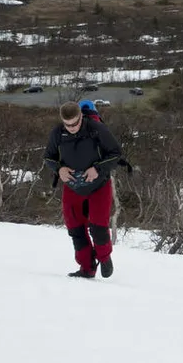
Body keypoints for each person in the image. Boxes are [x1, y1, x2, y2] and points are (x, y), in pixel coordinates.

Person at [44, 100, 123, 279]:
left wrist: (97, 169)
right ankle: (86, 268)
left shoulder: (96, 128)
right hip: (72, 186)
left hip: (99, 185)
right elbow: (49, 156)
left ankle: (104, 257)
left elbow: (116, 153)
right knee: (76, 229)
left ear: (81, 117)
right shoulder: (58, 132)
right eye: (67, 124)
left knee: (98, 226)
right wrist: (59, 169)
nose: (71, 127)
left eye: (75, 123)